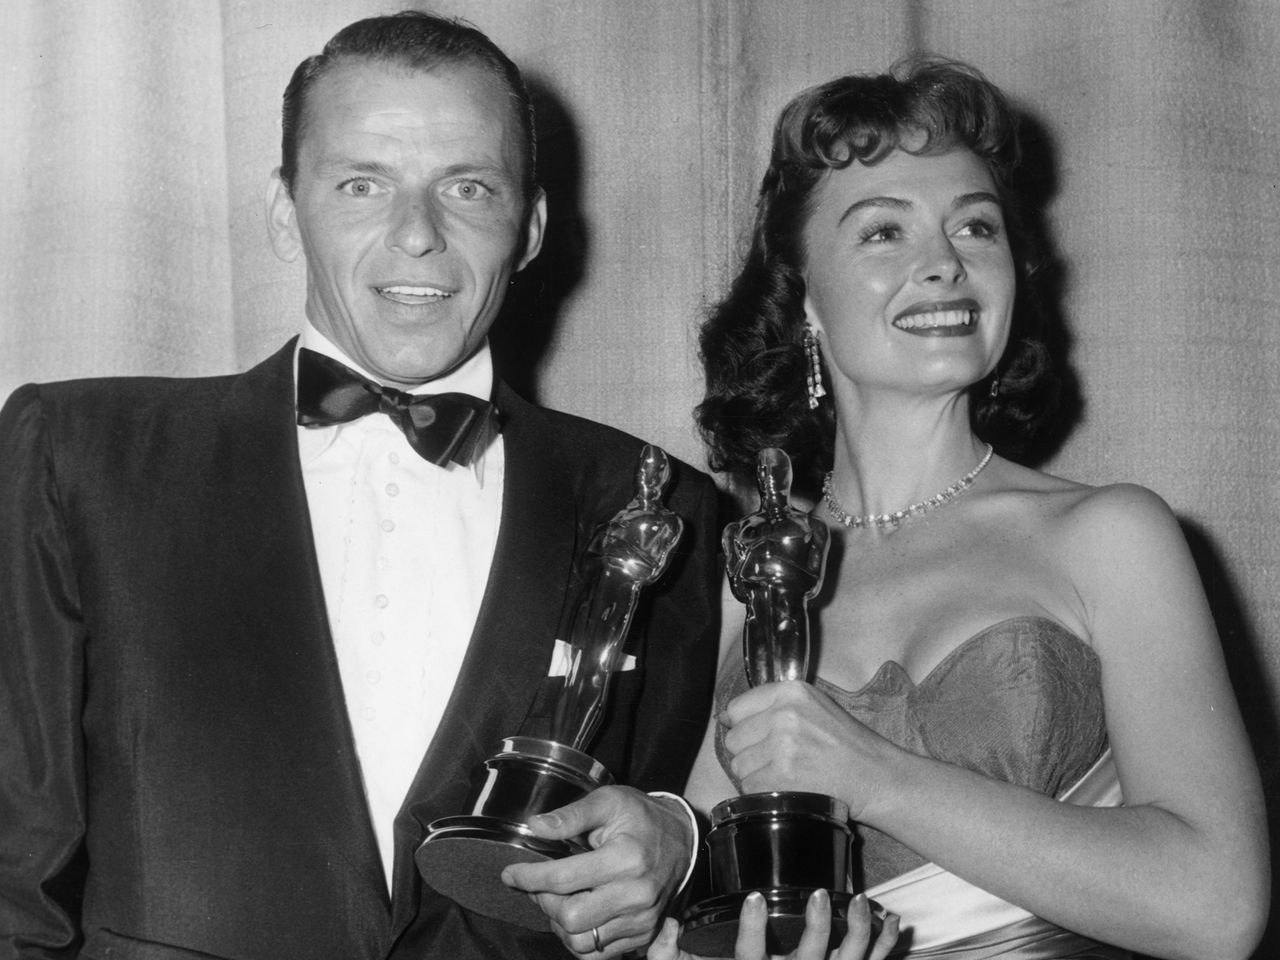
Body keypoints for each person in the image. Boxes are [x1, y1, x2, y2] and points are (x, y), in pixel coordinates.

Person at [0, 12, 720, 960]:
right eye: (361, 184)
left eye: (467, 186)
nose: (416, 235)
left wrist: (678, 836)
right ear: (282, 207)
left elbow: (670, 812)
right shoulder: (77, 452)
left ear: (533, 225)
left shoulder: (655, 497)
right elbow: (14, 869)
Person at [669, 58, 1269, 959]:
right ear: (805, 300)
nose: (945, 263)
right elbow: (727, 901)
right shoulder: (753, 567)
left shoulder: (1110, 536)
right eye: (883, 233)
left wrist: (872, 776)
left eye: (975, 228)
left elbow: (1219, 906)